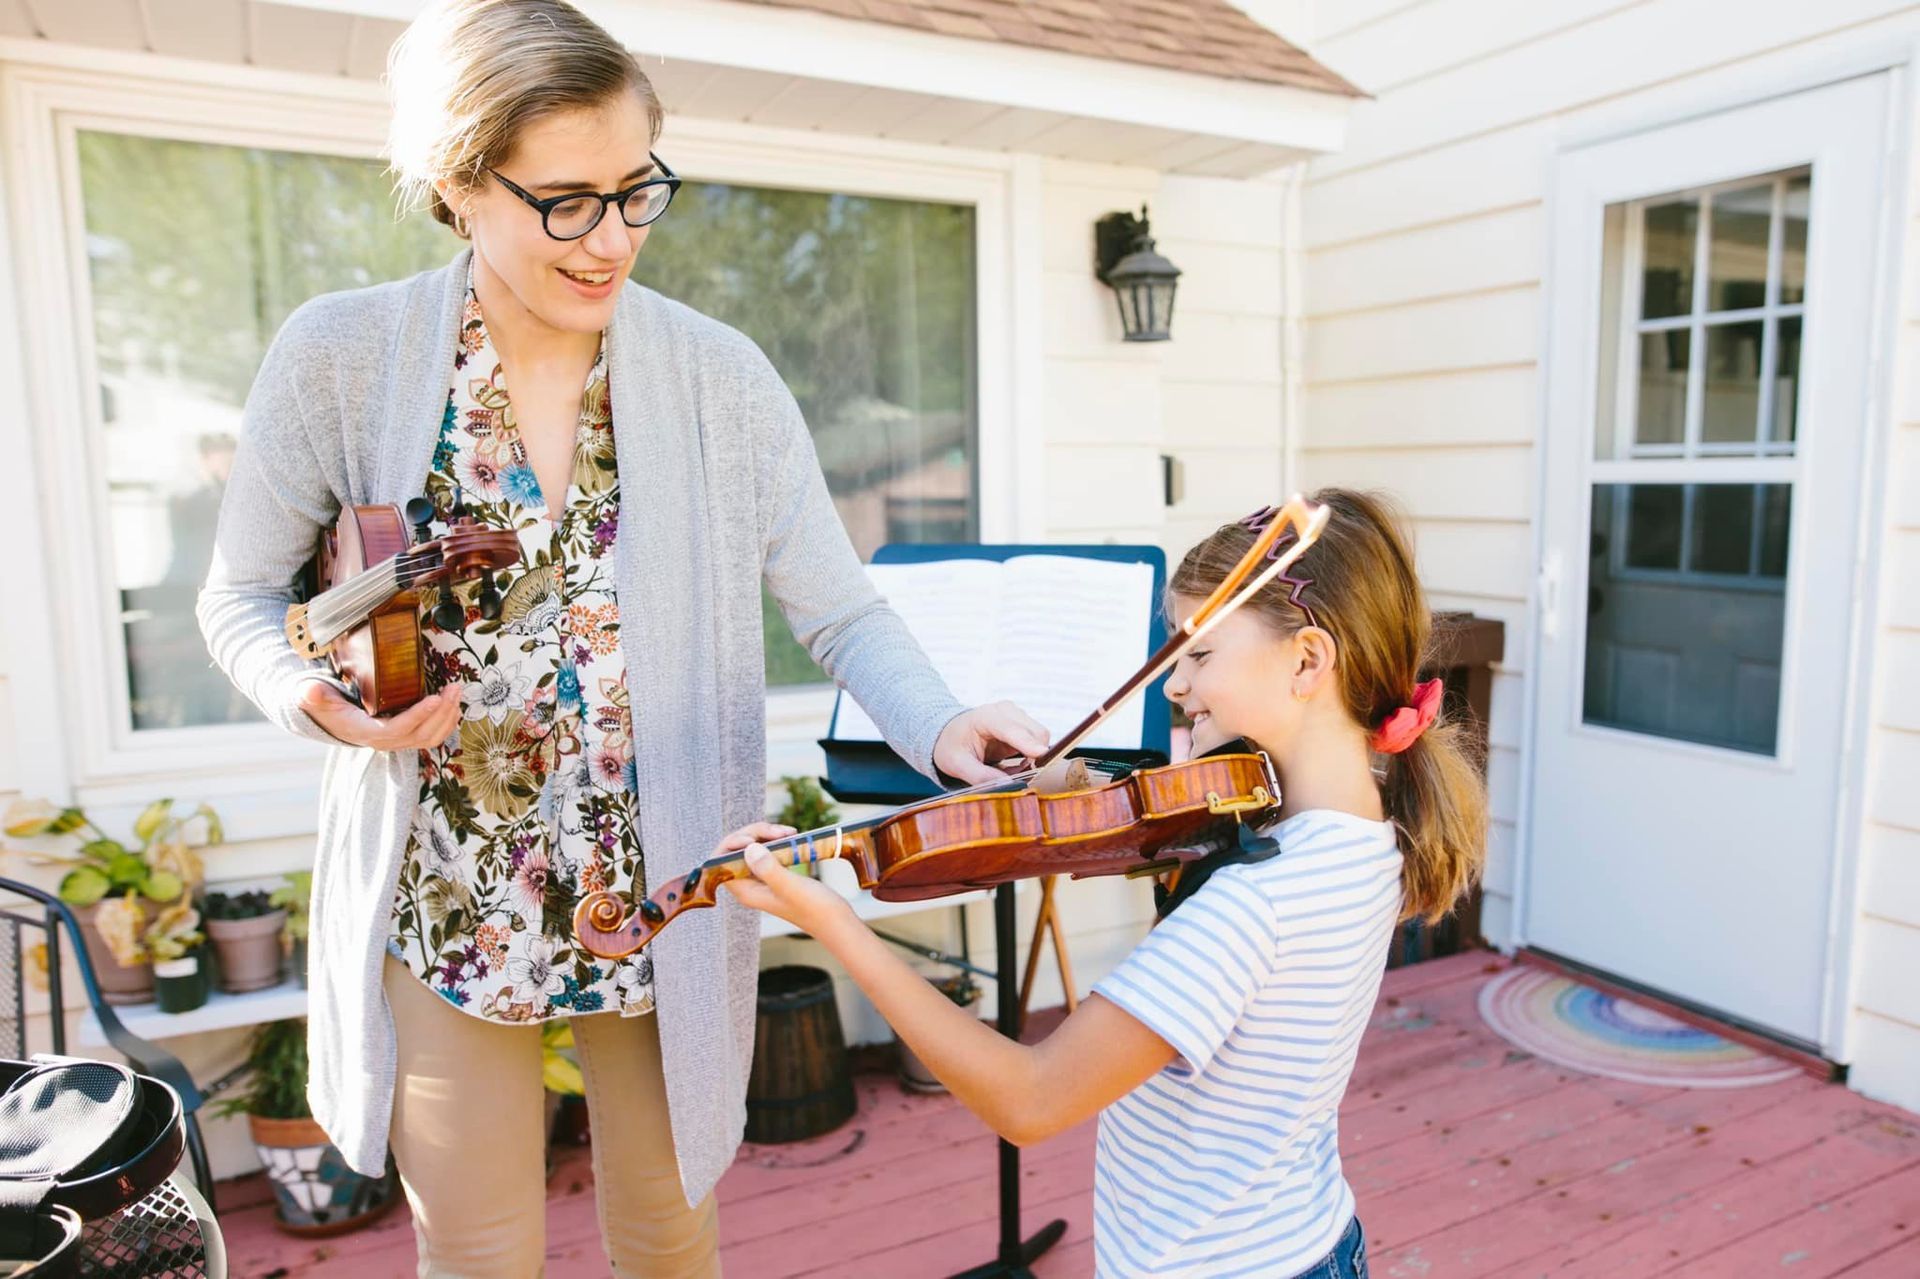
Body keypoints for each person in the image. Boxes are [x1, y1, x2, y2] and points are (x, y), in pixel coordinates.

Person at [195, 1, 1046, 1273]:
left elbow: (840, 603)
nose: (613, 240)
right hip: (448, 894)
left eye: (638, 190)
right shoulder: (341, 357)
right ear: (459, 183)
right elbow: (237, 601)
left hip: (669, 891)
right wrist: (312, 700)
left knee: (667, 1236)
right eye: (566, 202)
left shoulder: (723, 378)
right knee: (477, 1251)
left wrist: (939, 721)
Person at [722, 488, 1488, 1277]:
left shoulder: (1254, 902)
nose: (1175, 684)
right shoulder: (1363, 828)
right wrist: (1065, 782)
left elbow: (1030, 1097)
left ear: (1307, 660)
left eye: (1199, 653)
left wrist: (838, 922)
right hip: (1308, 1235)